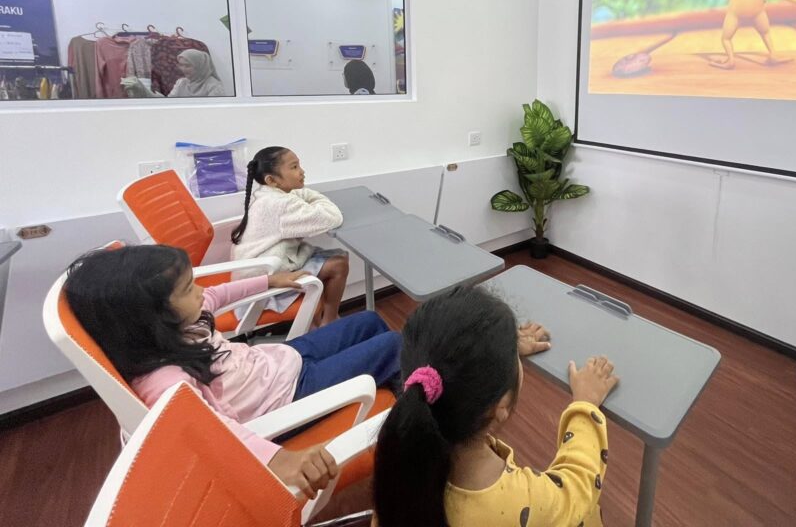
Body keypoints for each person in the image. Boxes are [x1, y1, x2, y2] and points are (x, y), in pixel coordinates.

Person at [63, 244, 401, 498]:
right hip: (289, 397)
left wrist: (271, 279)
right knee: (394, 345)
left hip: (282, 360)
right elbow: (209, 430)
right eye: (188, 289)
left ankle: (395, 386)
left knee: (369, 321)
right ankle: (410, 412)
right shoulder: (165, 379)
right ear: (150, 316)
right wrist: (280, 460)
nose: (200, 292)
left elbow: (216, 293)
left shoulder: (184, 320)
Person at [373, 286, 618, 527]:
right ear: (500, 405)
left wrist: (492, 355)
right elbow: (576, 488)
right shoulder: (516, 503)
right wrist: (585, 403)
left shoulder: (398, 462)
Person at [231, 147, 348, 326]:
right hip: (265, 282)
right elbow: (332, 218)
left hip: (256, 270)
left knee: (329, 256)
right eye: (294, 167)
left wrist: (305, 195)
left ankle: (315, 321)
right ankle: (329, 321)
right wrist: (318, 200)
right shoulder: (280, 204)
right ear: (272, 180)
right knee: (339, 264)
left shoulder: (268, 194)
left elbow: (301, 193)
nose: (302, 171)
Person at [121, 49, 226, 97]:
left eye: (187, 66)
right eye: (181, 65)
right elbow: (169, 103)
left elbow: (215, 113)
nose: (183, 69)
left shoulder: (214, 86)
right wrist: (142, 89)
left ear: (200, 66)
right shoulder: (182, 82)